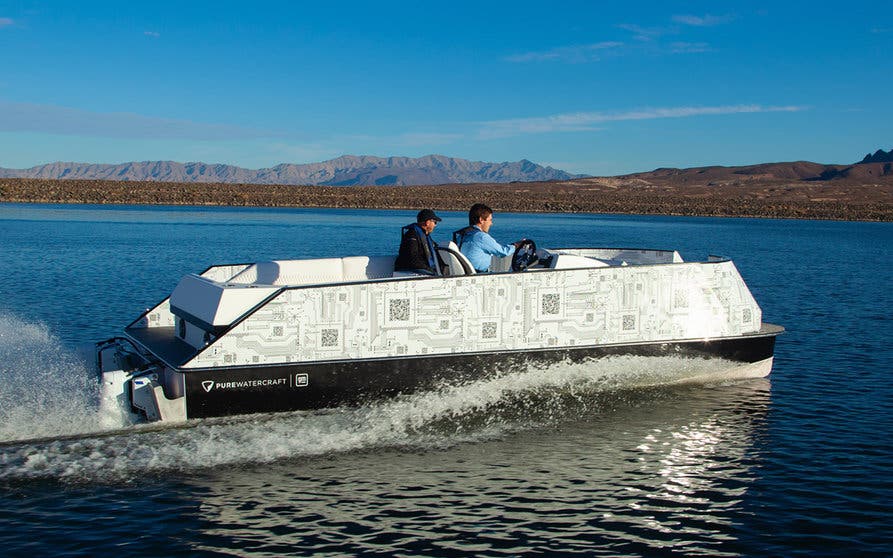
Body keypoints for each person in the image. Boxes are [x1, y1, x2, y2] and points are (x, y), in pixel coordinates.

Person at [454, 203, 522, 273]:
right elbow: (503, 252)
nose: (491, 223)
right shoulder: (481, 237)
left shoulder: (462, 235)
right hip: (478, 275)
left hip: (464, 273)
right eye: (490, 220)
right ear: (481, 220)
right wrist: (516, 245)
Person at [394, 209, 443, 275]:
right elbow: (412, 258)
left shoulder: (425, 236)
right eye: (435, 222)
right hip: (409, 270)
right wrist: (428, 269)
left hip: (418, 269)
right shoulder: (411, 235)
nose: (435, 225)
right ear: (427, 222)